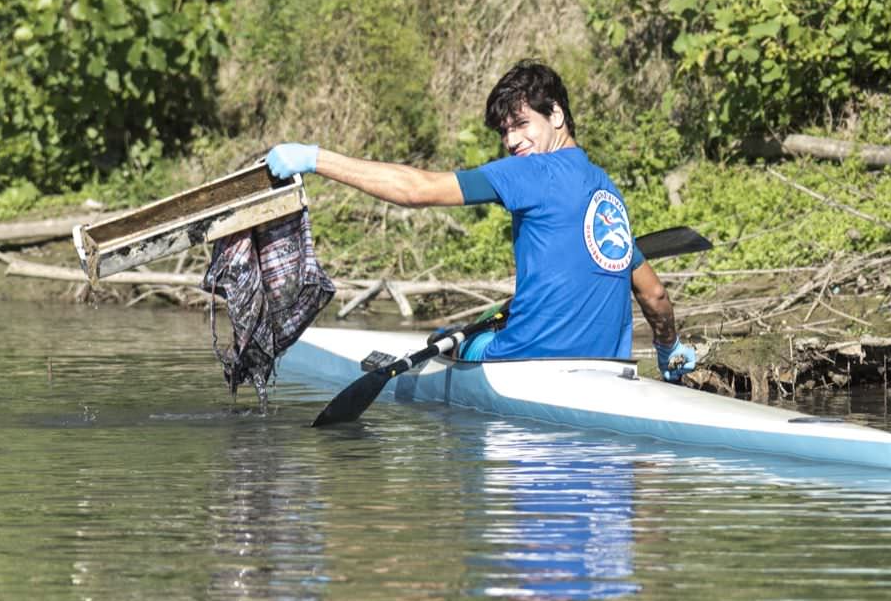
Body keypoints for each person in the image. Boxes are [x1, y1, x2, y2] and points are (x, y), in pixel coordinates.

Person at [266, 59, 696, 382]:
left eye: (521, 124)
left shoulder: (531, 173)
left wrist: (316, 159)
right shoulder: (606, 192)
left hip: (527, 364)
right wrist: (668, 349)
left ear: (557, 116)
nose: (511, 140)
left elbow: (417, 190)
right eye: (504, 130)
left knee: (451, 340)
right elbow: (655, 294)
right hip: (610, 371)